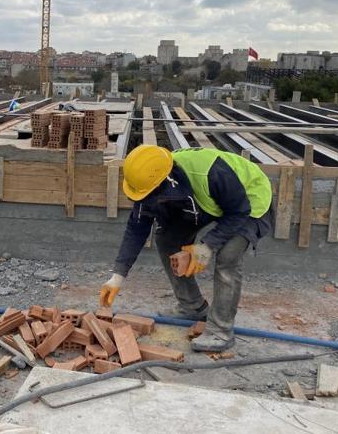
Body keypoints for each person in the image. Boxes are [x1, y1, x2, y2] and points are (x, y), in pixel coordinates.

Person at [99, 145, 273, 352]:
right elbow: (137, 228)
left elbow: (238, 211)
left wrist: (207, 246)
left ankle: (221, 331)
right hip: (205, 201)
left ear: (167, 181)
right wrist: (118, 275)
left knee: (228, 256)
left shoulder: (212, 172)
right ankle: (193, 307)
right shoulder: (148, 181)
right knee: (166, 239)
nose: (146, 199)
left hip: (248, 200)